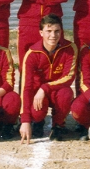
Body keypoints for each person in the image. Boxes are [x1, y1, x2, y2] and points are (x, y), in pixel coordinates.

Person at [19, 14, 77, 143]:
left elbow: (68, 77)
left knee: (66, 93)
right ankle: (38, 122)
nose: (53, 35)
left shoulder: (70, 48)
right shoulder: (32, 53)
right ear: (41, 33)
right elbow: (26, 87)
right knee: (36, 112)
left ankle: (58, 125)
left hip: (57, 91)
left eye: (57, 31)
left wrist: (44, 88)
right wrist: (25, 120)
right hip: (39, 96)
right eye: (48, 31)